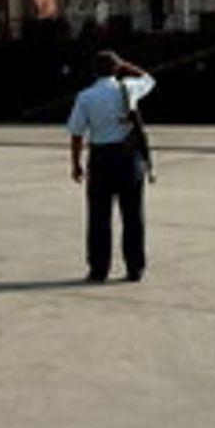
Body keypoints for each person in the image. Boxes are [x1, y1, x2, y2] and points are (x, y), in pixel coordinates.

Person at [67, 50, 155, 283]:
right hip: (129, 159)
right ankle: (135, 268)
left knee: (98, 218)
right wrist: (126, 65)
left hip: (101, 159)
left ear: (94, 71)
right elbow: (149, 80)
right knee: (133, 216)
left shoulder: (85, 96)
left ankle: (98, 269)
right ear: (117, 69)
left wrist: (76, 164)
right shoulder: (129, 88)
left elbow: (77, 133)